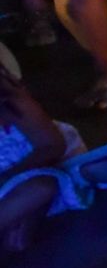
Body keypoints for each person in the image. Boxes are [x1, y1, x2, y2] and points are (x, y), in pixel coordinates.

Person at [1, 49, 91, 252]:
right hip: (8, 190)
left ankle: (16, 225)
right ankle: (17, 228)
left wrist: (7, 176)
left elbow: (52, 146)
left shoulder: (11, 102)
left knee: (42, 187)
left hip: (39, 168)